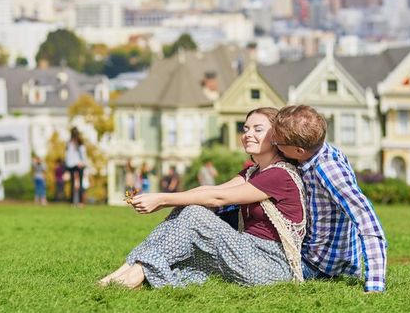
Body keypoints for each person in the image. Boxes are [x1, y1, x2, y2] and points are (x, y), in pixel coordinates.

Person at [98, 107, 307, 289]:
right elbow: (208, 190)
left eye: (257, 129)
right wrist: (163, 198)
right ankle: (123, 272)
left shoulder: (280, 175)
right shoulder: (253, 172)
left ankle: (133, 276)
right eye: (245, 129)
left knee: (195, 214)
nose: (247, 134)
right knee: (188, 208)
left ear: (276, 136)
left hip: (270, 264)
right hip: (248, 252)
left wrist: (161, 200)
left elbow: (218, 198)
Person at [271, 105, 387, 293]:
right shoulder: (316, 151)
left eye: (278, 144)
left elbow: (366, 219)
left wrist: (375, 285)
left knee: (255, 269)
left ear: (299, 151)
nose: (274, 144)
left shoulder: (327, 169)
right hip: (317, 255)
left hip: (322, 266)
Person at [65, 127, 87, 206]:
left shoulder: (79, 143)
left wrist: (83, 162)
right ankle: (72, 202)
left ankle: (79, 202)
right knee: (73, 184)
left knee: (79, 184)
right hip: (73, 165)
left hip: (78, 165)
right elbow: (68, 155)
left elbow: (83, 154)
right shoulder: (69, 143)